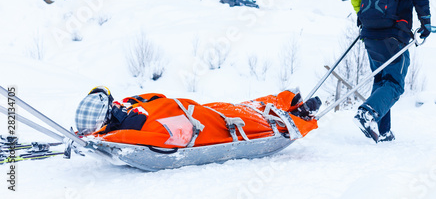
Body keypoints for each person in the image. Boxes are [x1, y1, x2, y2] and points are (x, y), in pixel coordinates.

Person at [350, 0, 431, 143]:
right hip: (395, 37)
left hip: (369, 36)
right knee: (394, 84)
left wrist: (362, 17)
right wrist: (426, 23)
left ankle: (384, 131)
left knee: (381, 81)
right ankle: (367, 113)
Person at [75, 86, 321, 148]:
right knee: (249, 110)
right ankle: (297, 106)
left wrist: (101, 138)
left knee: (257, 118)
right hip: (205, 114)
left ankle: (299, 110)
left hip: (209, 118)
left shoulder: (134, 125)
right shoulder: (130, 106)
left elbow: (178, 138)